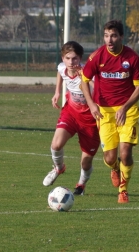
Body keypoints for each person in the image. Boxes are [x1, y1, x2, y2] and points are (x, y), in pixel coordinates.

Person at [80, 19, 139, 203]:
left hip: (128, 111)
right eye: (107, 36)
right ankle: (114, 168)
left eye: (114, 35)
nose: (109, 40)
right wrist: (92, 105)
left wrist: (124, 108)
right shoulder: (97, 57)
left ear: (121, 37)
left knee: (126, 153)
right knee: (109, 158)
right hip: (104, 113)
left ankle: (123, 190)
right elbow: (84, 81)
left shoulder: (132, 58)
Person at [43, 41, 100, 195]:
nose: (71, 62)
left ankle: (81, 185)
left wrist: (86, 78)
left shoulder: (87, 72)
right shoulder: (62, 68)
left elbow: (98, 87)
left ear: (80, 58)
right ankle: (59, 168)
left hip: (91, 119)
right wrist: (57, 92)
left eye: (74, 58)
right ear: (63, 58)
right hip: (71, 113)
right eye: (67, 58)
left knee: (86, 161)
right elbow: (60, 73)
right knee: (56, 145)